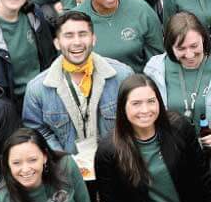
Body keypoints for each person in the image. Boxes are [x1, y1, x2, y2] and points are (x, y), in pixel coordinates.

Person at [21, 9, 131, 158]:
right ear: (57, 43)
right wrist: (66, 161)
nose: (77, 42)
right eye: (69, 36)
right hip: (68, 168)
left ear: (93, 39)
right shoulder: (37, 89)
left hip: (116, 163)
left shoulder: (122, 76)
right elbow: (38, 131)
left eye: (83, 34)